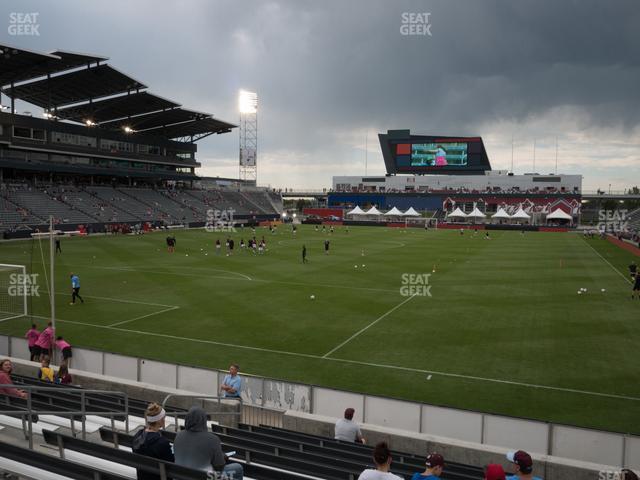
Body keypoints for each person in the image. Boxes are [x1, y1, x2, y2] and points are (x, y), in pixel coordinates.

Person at [174, 406, 243, 479]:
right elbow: (219, 467)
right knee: (238, 468)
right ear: (204, 420)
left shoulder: (179, 435)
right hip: (204, 477)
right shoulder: (212, 439)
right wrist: (223, 457)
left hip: (179, 476)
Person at [132, 402, 174, 480]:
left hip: (142, 476)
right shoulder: (162, 442)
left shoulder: (138, 435)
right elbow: (171, 465)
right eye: (163, 418)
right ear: (158, 420)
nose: (164, 420)